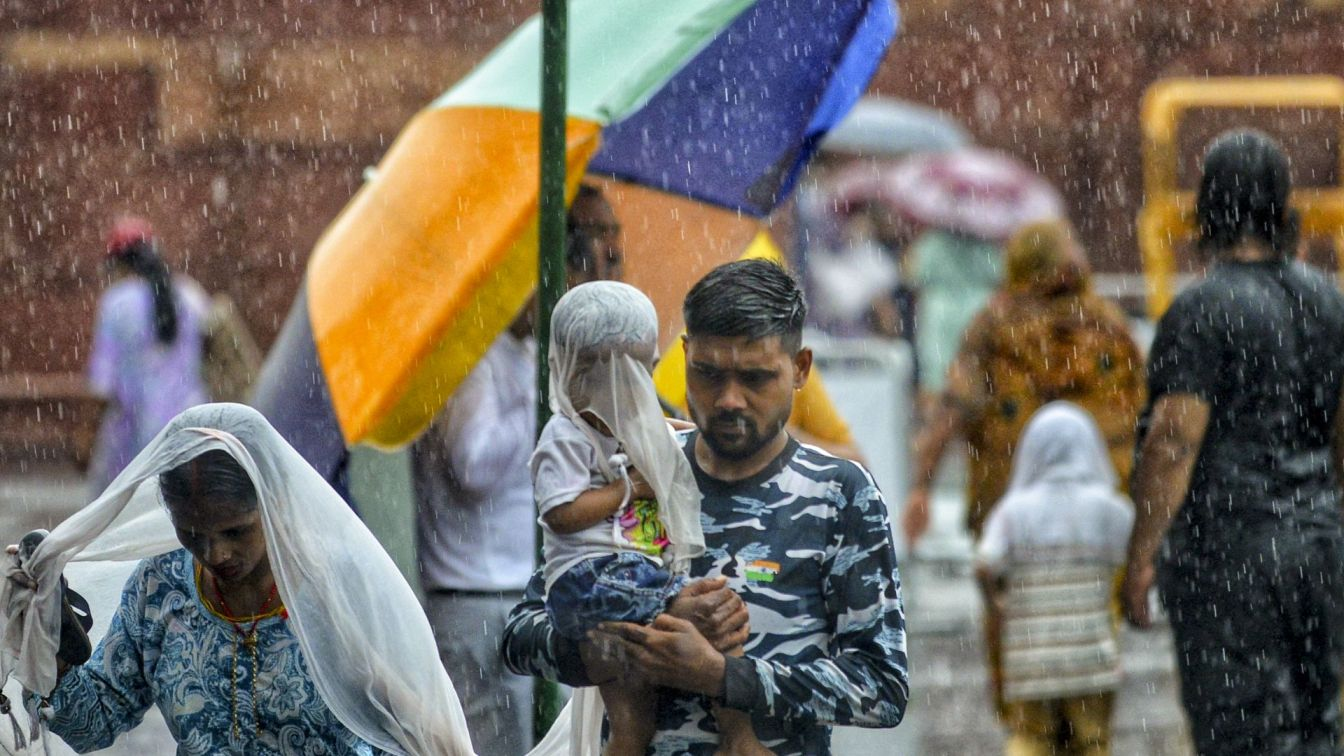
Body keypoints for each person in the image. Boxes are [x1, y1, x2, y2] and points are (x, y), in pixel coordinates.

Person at [503, 259, 908, 755]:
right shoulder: (633, 470)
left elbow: (882, 687)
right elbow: (521, 637)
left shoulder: (839, 494)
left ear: (800, 368)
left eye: (755, 378)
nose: (729, 399)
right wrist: (619, 644)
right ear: (685, 354)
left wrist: (724, 676)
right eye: (708, 373)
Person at [3, 404, 474, 755]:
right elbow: (93, 723)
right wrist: (51, 646)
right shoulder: (161, 588)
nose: (215, 553)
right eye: (192, 533)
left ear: (274, 502)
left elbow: (416, 726)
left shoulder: (334, 586)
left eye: (235, 531)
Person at [1122, 130, 1344, 755]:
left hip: (1229, 558)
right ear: (1283, 208)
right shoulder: (1330, 304)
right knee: (1316, 725)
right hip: (1319, 550)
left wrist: (1141, 554)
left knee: (1240, 732)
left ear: (1208, 210)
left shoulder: (1201, 312)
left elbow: (1173, 441)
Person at [410, 183, 625, 754]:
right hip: (475, 599)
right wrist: (542, 401)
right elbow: (474, 467)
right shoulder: (473, 358)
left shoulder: (528, 357)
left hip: (520, 592)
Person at [534, 281, 767, 756]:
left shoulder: (624, 423)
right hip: (592, 581)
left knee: (631, 722)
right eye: (634, 374)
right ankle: (739, 739)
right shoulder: (564, 437)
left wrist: (706, 432)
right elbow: (560, 514)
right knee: (714, 615)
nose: (641, 389)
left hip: (617, 581)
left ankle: (630, 743)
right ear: (584, 373)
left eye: (648, 371)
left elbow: (670, 428)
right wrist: (628, 490)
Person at [903, 220, 1145, 546]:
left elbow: (954, 406)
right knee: (1101, 590)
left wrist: (922, 485)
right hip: (1101, 510)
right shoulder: (1109, 324)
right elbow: (1148, 409)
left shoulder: (993, 327)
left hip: (1010, 507)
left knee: (1013, 592)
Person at [976, 403, 1133, 756]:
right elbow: (1132, 560)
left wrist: (997, 605)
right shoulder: (1110, 508)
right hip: (1091, 655)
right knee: (1092, 740)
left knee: (1031, 737)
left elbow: (985, 564)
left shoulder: (1013, 511)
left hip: (1031, 656)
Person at [87, 217, 210, 493]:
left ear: (119, 263)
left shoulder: (117, 302)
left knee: (126, 521)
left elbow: (102, 384)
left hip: (134, 438)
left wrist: (85, 435)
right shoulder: (191, 295)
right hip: (192, 432)